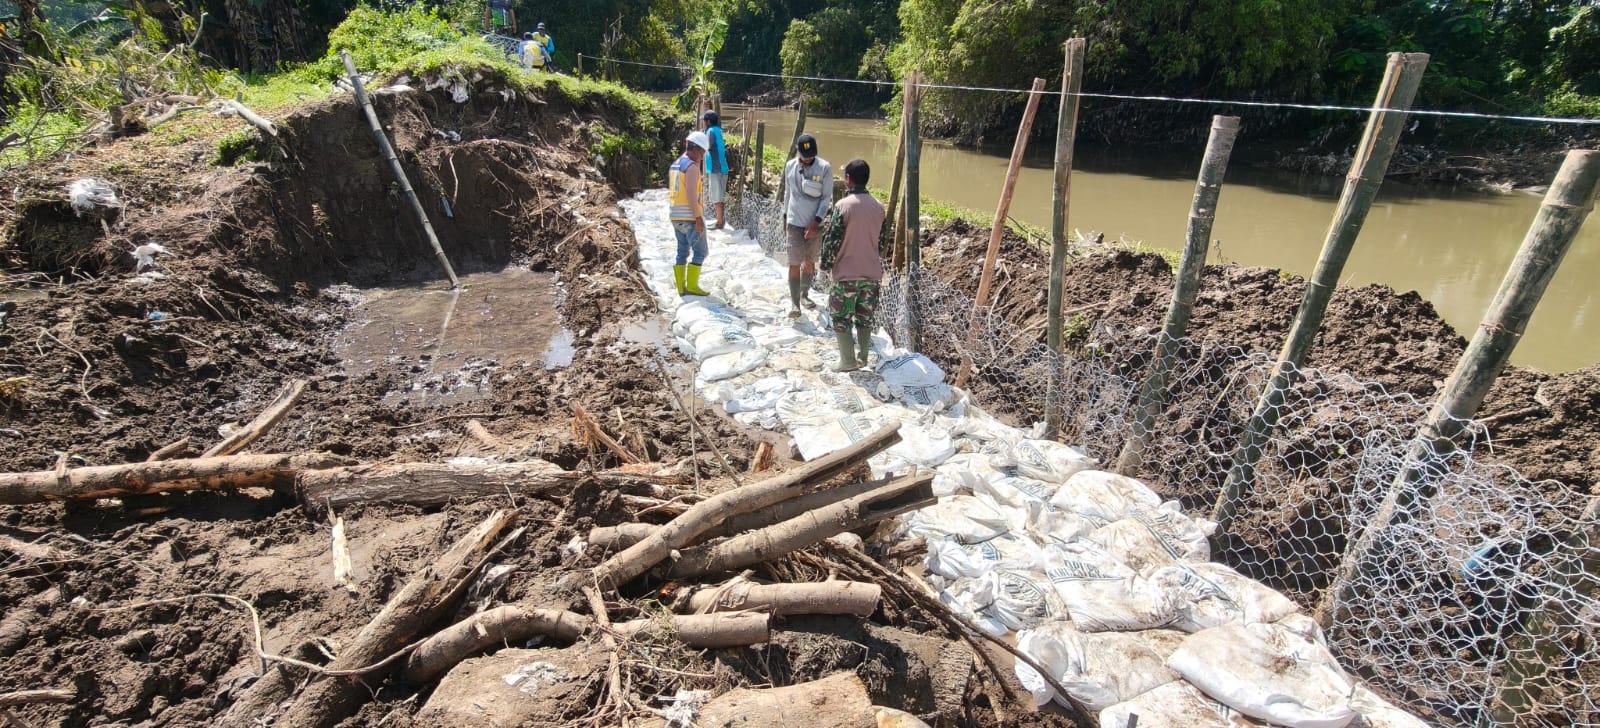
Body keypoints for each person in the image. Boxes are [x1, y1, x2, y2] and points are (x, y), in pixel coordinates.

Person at [819, 159, 886, 371]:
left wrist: (825, 265)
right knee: (865, 317)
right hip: (872, 274)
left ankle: (847, 361)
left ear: (848, 180)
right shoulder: (878, 208)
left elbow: (832, 240)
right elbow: (881, 242)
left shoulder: (842, 206)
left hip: (847, 274)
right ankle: (863, 357)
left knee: (841, 316)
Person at [781, 133, 833, 319]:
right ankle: (795, 303)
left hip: (814, 224)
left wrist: (816, 222)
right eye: (805, 157)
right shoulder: (790, 166)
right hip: (794, 221)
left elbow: (826, 198)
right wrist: (785, 216)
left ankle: (804, 294)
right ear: (798, 153)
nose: (808, 160)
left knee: (810, 261)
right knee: (794, 262)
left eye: (811, 157)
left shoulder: (824, 168)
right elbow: (788, 194)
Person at [668, 131, 713, 297]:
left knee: (682, 251)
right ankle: (692, 286)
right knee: (701, 252)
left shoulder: (677, 164)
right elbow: (691, 195)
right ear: (695, 149)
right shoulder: (692, 168)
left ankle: (681, 287)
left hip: (675, 216)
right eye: (702, 153)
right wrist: (698, 218)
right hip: (689, 217)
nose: (702, 157)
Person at [700, 111, 729, 229]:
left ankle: (719, 222)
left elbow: (705, 146)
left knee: (717, 196)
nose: (703, 123)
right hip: (722, 167)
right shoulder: (718, 130)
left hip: (715, 169)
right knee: (720, 195)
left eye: (704, 121)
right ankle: (720, 219)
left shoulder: (710, 132)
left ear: (708, 121)